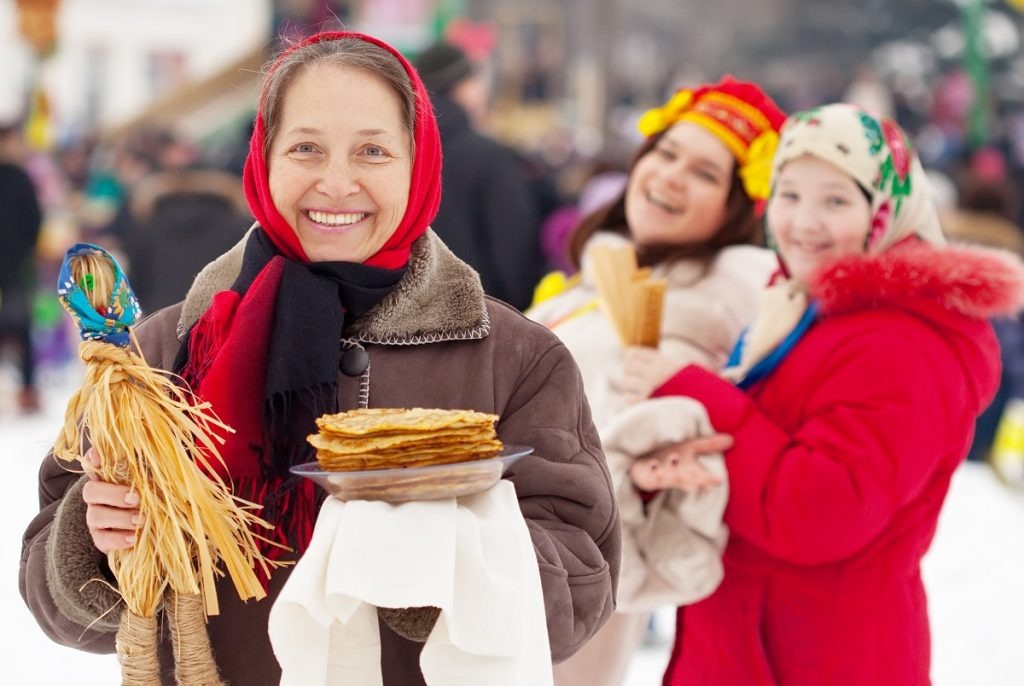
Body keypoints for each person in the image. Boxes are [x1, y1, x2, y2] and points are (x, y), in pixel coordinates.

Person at [19, 31, 619, 686]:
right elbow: (56, 602)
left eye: (373, 150)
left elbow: (581, 592)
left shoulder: (517, 360)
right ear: (263, 159)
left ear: (418, 166)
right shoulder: (160, 356)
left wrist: (444, 556)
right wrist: (96, 534)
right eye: (305, 147)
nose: (337, 182)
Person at [633, 103, 1024, 685]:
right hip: (752, 640)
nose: (804, 222)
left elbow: (820, 512)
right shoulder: (798, 307)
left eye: (836, 200)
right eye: (790, 195)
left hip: (823, 653)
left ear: (885, 211)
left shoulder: (901, 341)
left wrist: (699, 393)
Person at [527, 77, 785, 686]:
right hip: (509, 563)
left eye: (704, 172)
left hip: (569, 587)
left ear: (735, 207)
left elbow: (651, 470)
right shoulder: (605, 282)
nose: (669, 176)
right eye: (666, 153)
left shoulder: (705, 308)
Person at [413, 40, 544, 310]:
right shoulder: (487, 157)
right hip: (481, 321)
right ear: (460, 87)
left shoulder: (398, 151)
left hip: (406, 320)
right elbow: (512, 253)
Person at [0, 122, 43, 413]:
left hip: (14, 266)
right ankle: (27, 390)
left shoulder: (20, 175)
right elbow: (35, 220)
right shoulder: (18, 176)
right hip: (15, 266)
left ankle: (27, 389)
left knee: (22, 327)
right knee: (22, 327)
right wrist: (25, 250)